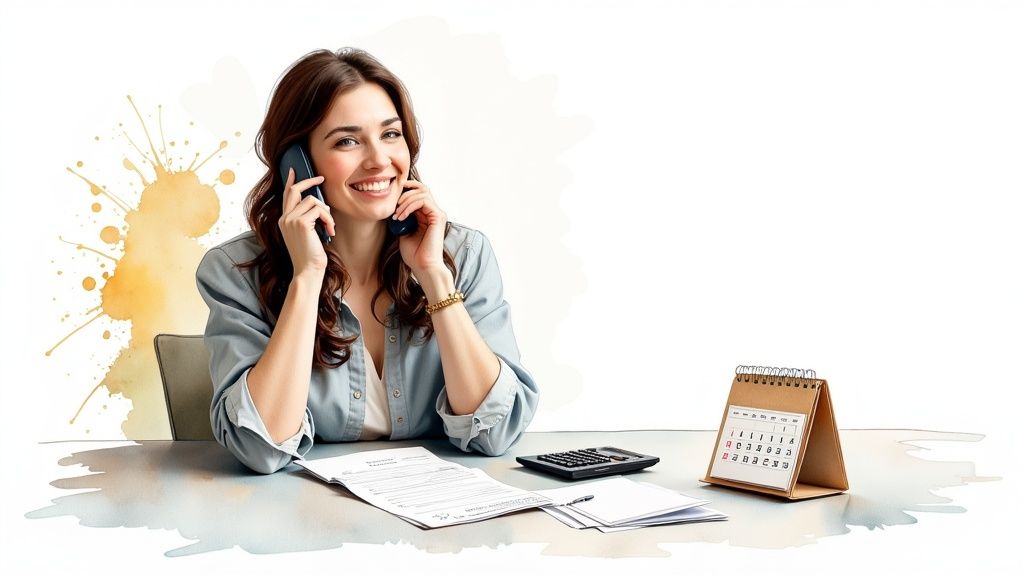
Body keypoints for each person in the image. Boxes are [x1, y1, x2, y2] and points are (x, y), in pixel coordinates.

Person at [196, 48, 539, 474]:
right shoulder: (235, 272)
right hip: (308, 522)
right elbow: (262, 448)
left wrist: (434, 276)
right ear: (297, 163)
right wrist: (307, 277)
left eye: (391, 135)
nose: (379, 160)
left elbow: (496, 433)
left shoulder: (463, 255)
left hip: (442, 519)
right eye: (347, 140)